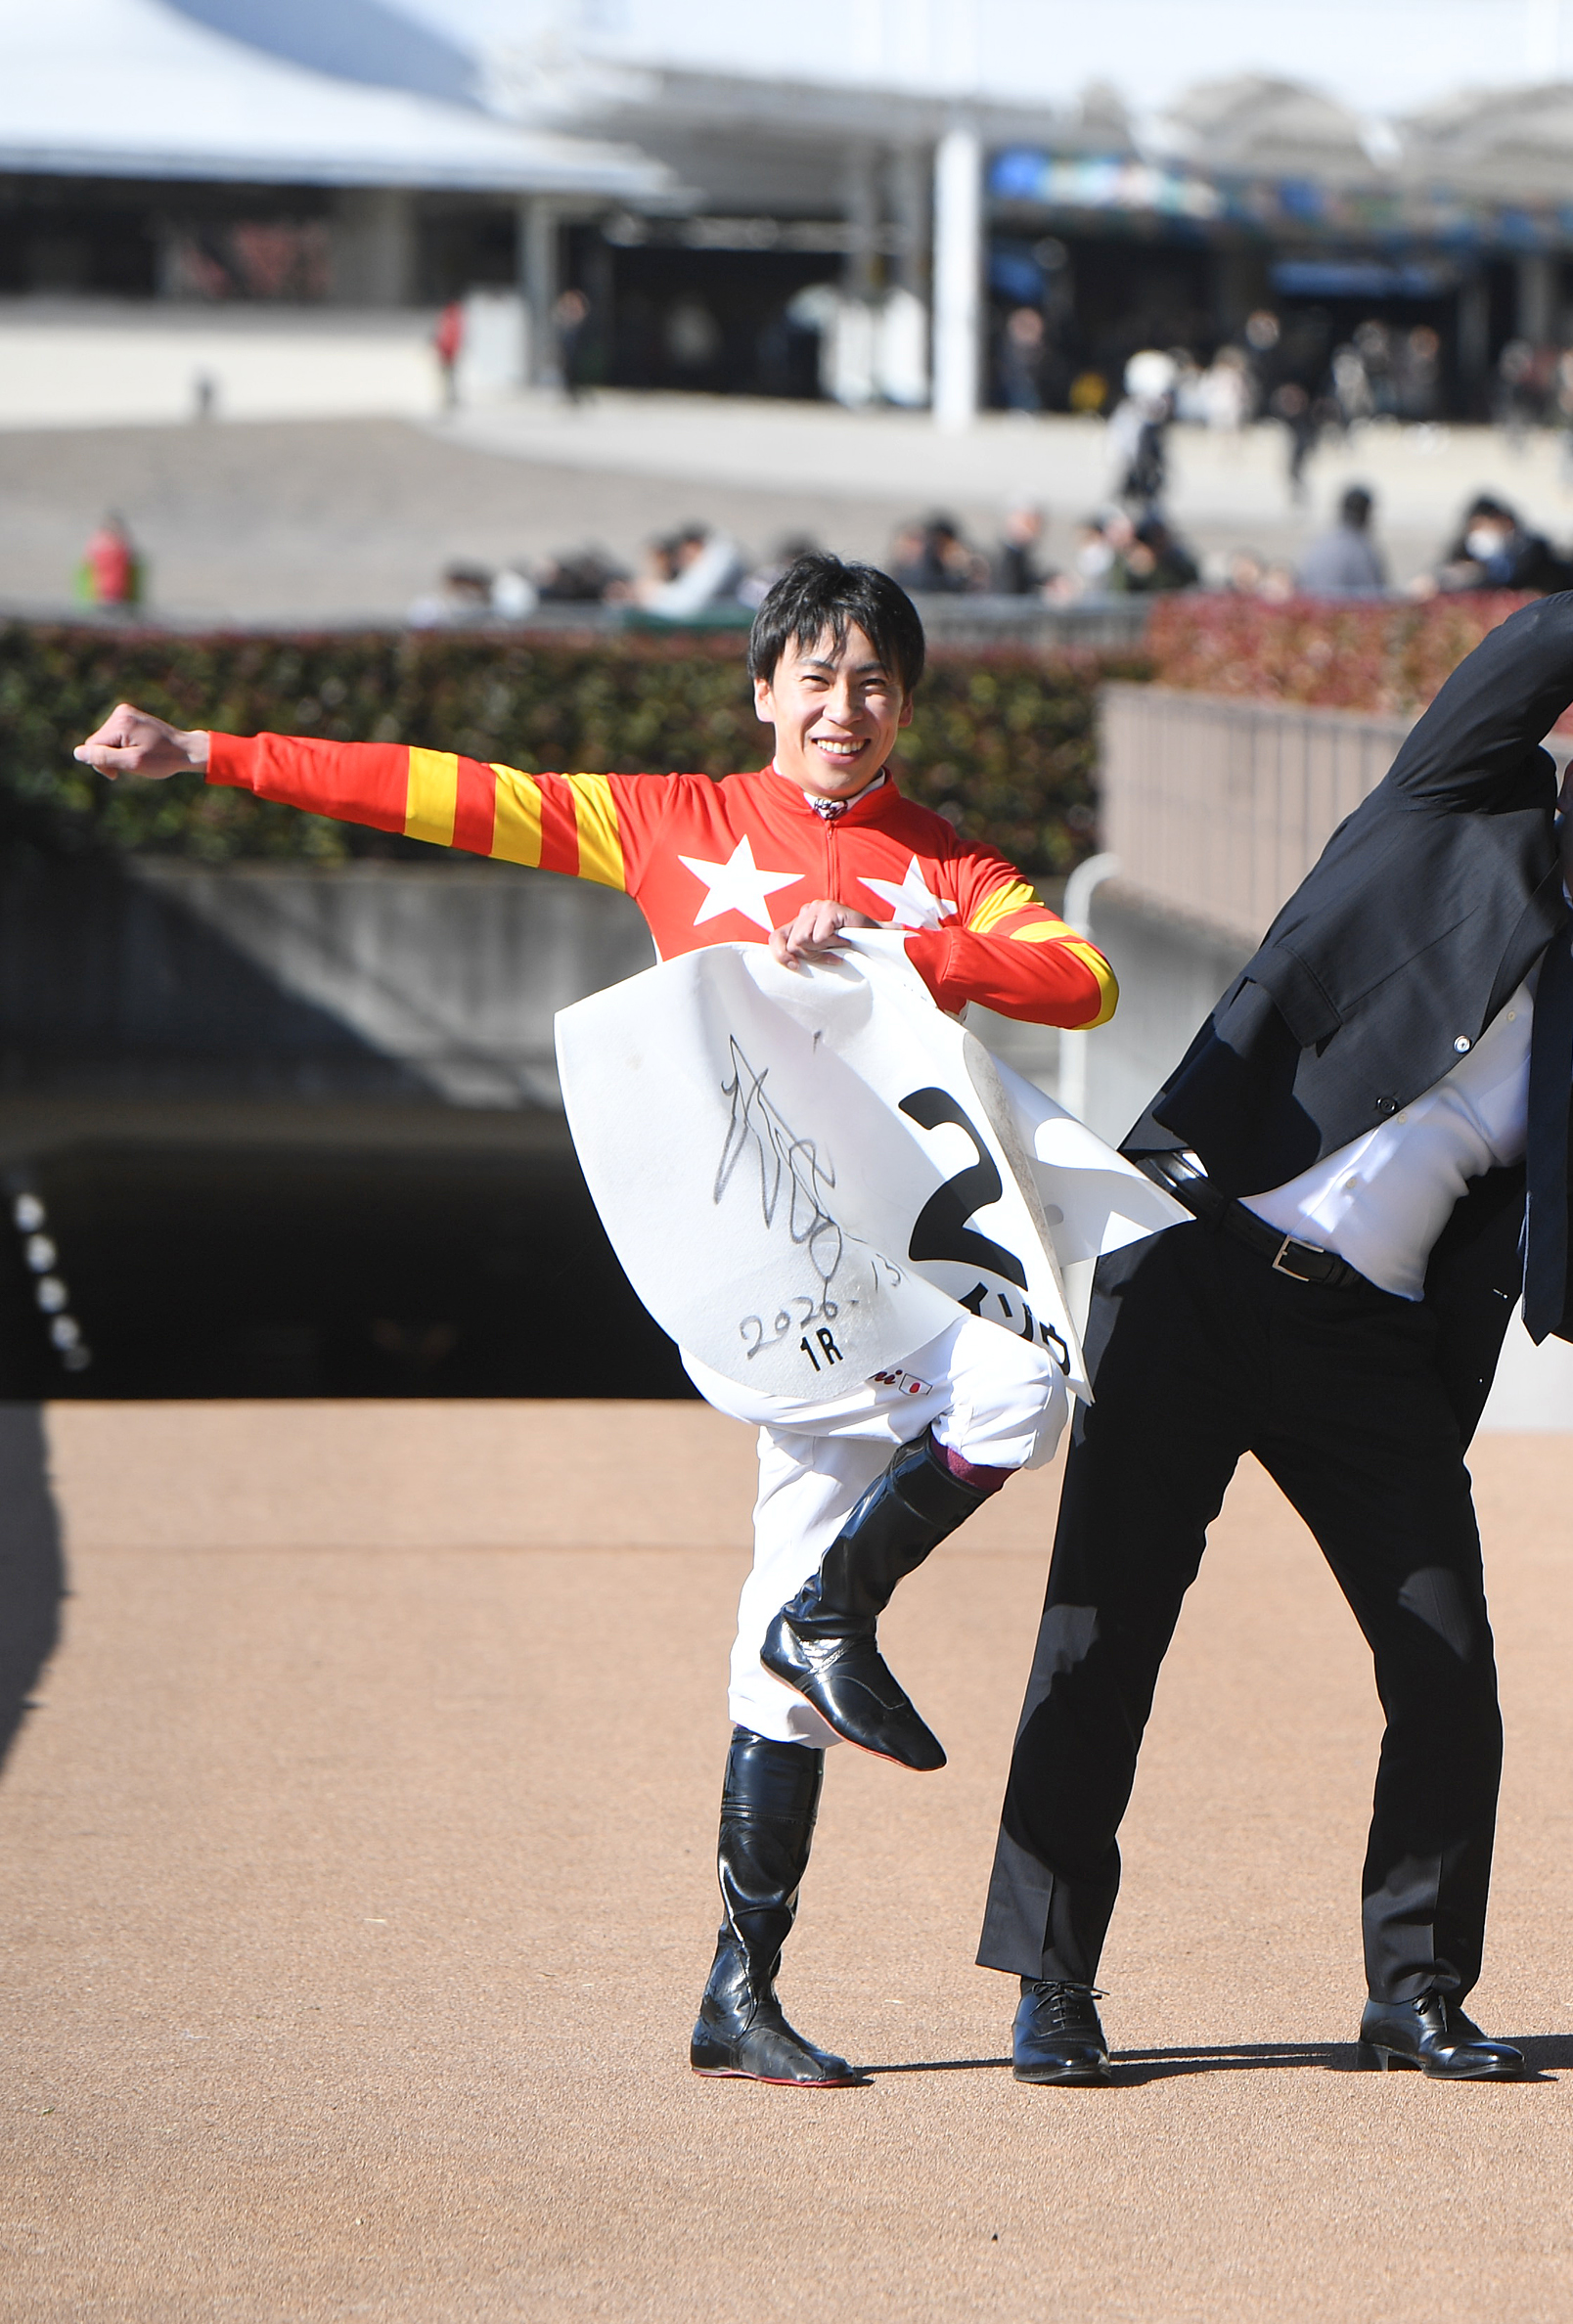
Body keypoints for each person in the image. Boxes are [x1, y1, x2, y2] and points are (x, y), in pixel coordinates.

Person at [72, 557, 1121, 2092]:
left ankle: (737, 1983)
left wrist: (910, 950)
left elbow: (1081, 979)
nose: (847, 709)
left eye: (877, 682)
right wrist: (206, 753)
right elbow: (436, 789)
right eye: (818, 679)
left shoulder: (941, 863)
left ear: (907, 704)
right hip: (767, 1264)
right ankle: (829, 1636)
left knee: (911, 1513)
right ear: (763, 690)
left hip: (894, 1271)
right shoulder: (669, 821)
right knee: (1007, 1408)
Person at [975, 572, 1573, 2088]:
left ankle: (1415, 1993)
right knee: (1104, 1634)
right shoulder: (1448, 816)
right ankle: (1053, 1986)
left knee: (1446, 1670)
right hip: (1195, 1269)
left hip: (1372, 1359)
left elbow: (1572, 1274)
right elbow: (1536, 646)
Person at [1298, 484, 1389, 597]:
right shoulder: (1362, 551)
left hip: (1313, 608)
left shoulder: (1319, 543)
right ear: (1366, 514)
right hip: (1345, 611)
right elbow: (1376, 597)